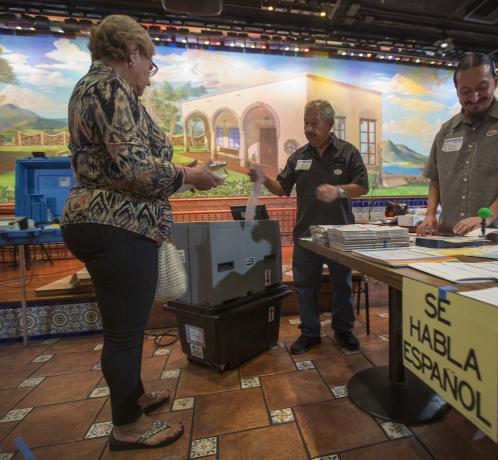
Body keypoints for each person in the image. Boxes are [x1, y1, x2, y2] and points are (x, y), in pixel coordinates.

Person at [60, 15, 223, 451]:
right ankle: (127, 427)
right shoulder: (109, 88)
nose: (148, 79)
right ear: (133, 54)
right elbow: (137, 170)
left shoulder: (90, 87)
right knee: (125, 334)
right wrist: (190, 175)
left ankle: (133, 398)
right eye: (148, 67)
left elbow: (122, 159)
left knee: (124, 328)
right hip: (118, 224)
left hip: (102, 220)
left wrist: (184, 168)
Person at [417, 52, 498, 394]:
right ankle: (454, 362)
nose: (474, 97)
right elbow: (435, 179)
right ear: (457, 90)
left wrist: (486, 214)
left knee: (492, 305)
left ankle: (497, 363)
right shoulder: (447, 131)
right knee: (454, 302)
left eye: (482, 88)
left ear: (496, 81)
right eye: (465, 91)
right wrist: (430, 214)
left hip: (496, 238)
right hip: (449, 239)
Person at [248, 100, 368, 354]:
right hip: (306, 235)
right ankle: (311, 332)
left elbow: (362, 186)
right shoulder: (298, 157)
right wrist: (263, 178)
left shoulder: (348, 153)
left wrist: (339, 190)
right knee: (305, 287)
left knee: (343, 285)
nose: (309, 129)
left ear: (329, 124)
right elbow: (282, 189)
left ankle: (343, 329)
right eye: (306, 123)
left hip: (339, 235)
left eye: (315, 123)